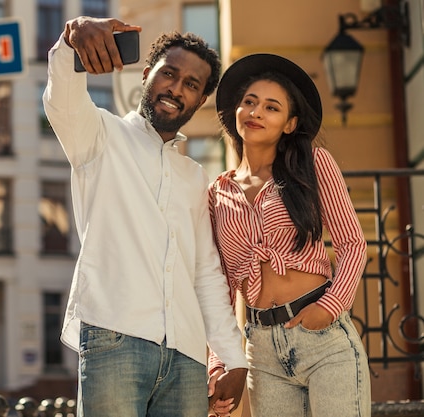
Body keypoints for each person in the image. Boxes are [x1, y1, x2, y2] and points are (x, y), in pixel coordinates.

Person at [43, 16, 248, 417]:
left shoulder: (194, 176)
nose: (176, 89)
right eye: (168, 74)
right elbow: (61, 100)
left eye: (191, 85)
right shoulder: (100, 135)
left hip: (187, 357)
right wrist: (71, 40)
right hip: (115, 339)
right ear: (146, 75)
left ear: (200, 101)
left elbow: (205, 273)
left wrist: (233, 357)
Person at [206, 53, 371, 417]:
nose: (256, 112)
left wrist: (330, 308)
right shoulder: (218, 193)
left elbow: (352, 244)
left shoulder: (314, 164)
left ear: (290, 123)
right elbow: (219, 286)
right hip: (260, 350)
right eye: (249, 102)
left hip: (322, 338)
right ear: (235, 112)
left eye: (271, 107)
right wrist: (219, 362)